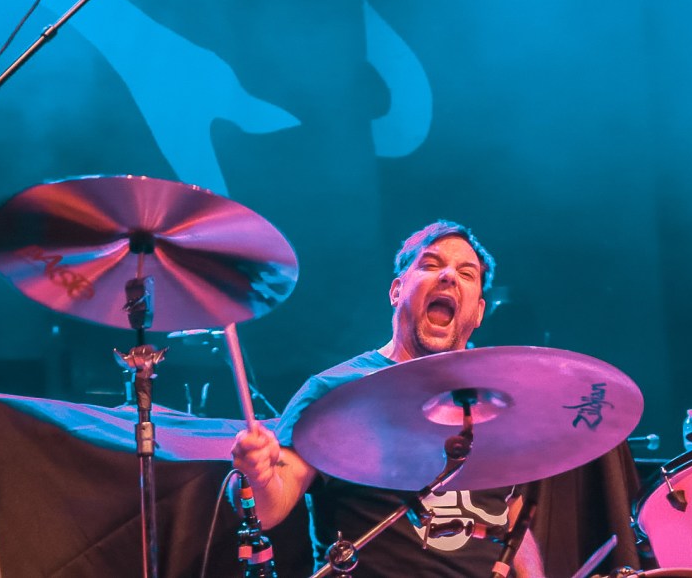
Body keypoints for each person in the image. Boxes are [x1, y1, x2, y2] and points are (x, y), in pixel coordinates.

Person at [232, 220, 545, 577]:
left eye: (466, 273)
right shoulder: (335, 391)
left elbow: (511, 520)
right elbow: (268, 509)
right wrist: (256, 474)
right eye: (430, 265)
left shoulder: (493, 402)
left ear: (478, 312)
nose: (448, 277)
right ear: (396, 291)